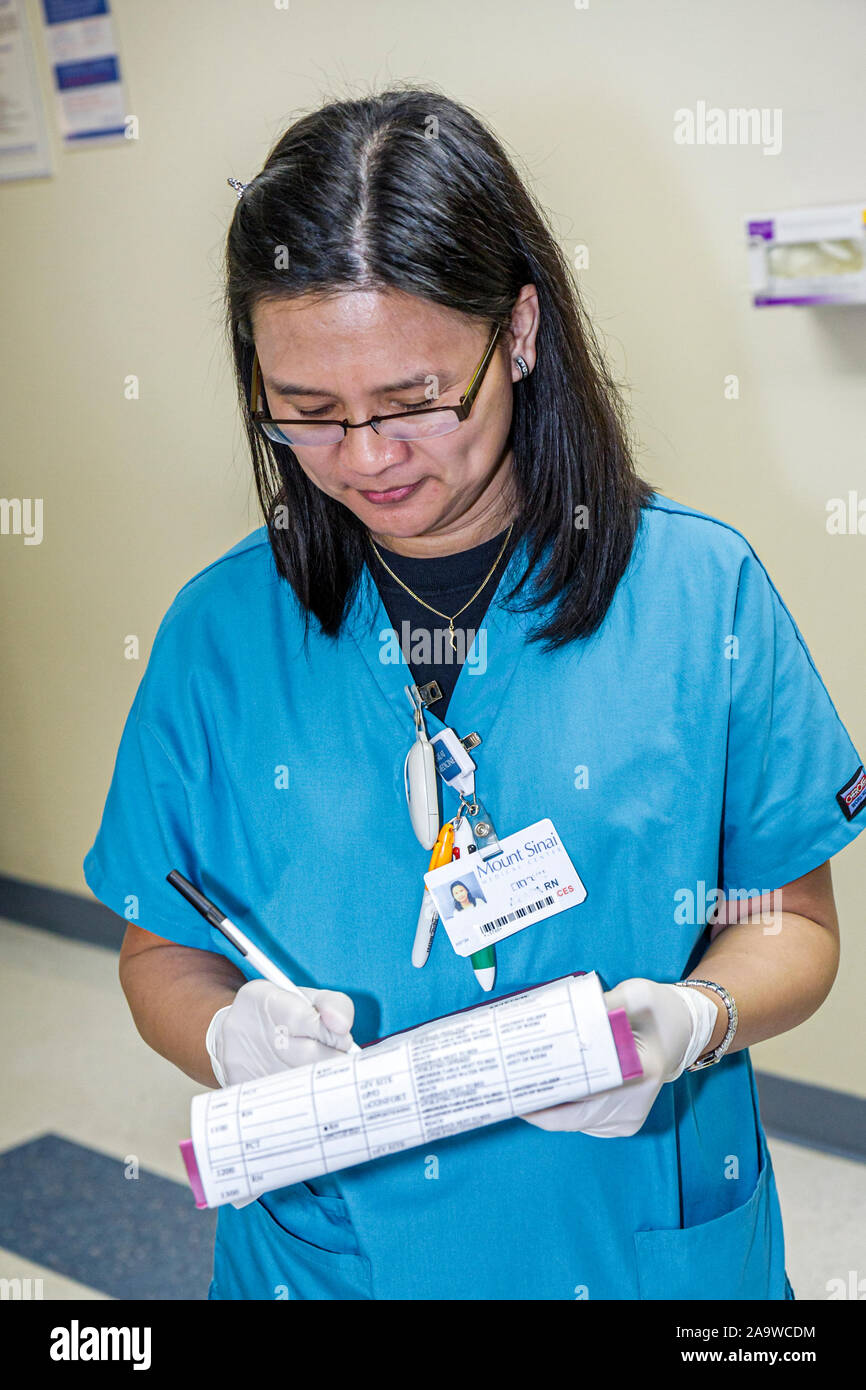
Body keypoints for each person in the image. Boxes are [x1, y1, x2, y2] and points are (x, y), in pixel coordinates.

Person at [83, 86, 866, 1301]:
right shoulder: (217, 633)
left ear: (517, 332)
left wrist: (686, 1021)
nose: (365, 459)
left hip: (637, 1248)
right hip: (337, 1259)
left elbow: (792, 925)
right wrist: (224, 1035)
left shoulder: (697, 593)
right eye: (305, 414)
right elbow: (161, 954)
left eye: (412, 402)